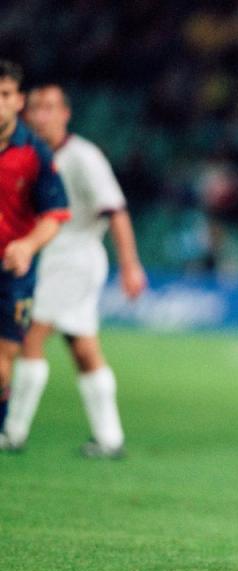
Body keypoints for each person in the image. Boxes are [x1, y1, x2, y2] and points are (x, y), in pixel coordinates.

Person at [0, 83, 146, 457]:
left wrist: (130, 265)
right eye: (35, 108)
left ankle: (12, 432)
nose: (41, 115)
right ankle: (109, 438)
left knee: (29, 338)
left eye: (50, 107)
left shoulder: (83, 157)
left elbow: (116, 211)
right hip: (49, 260)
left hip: (73, 261)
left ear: (66, 114)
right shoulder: (28, 154)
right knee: (83, 348)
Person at [0, 62, 71, 448]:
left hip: (11, 271)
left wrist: (28, 245)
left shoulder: (34, 153)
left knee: (3, 361)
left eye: (5, 95)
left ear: (19, 101)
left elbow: (54, 214)